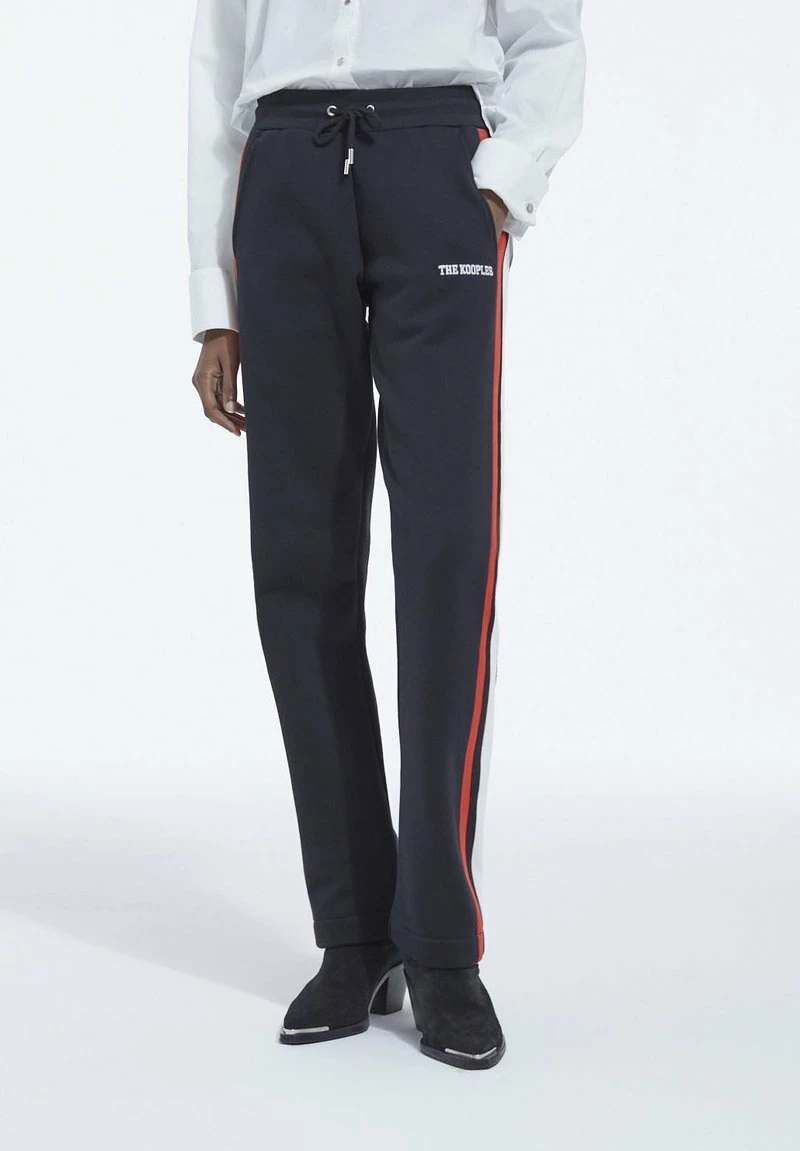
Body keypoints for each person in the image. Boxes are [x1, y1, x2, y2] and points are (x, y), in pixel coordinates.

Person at [187, 0, 585, 1071]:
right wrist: (212, 296)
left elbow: (548, 36)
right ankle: (356, 932)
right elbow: (217, 62)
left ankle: (441, 943)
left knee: (447, 557)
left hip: (435, 165)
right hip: (284, 170)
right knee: (300, 565)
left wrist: (502, 178)